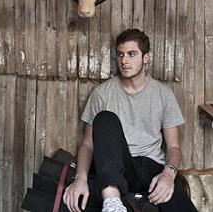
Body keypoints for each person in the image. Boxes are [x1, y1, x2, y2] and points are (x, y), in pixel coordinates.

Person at [62, 29, 197, 212]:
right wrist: (80, 178)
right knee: (105, 118)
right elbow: (87, 144)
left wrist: (168, 174)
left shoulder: (164, 94)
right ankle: (112, 202)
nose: (124, 61)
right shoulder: (102, 93)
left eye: (131, 54)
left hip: (151, 168)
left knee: (178, 202)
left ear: (146, 57)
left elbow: (174, 147)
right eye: (120, 54)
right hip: (116, 167)